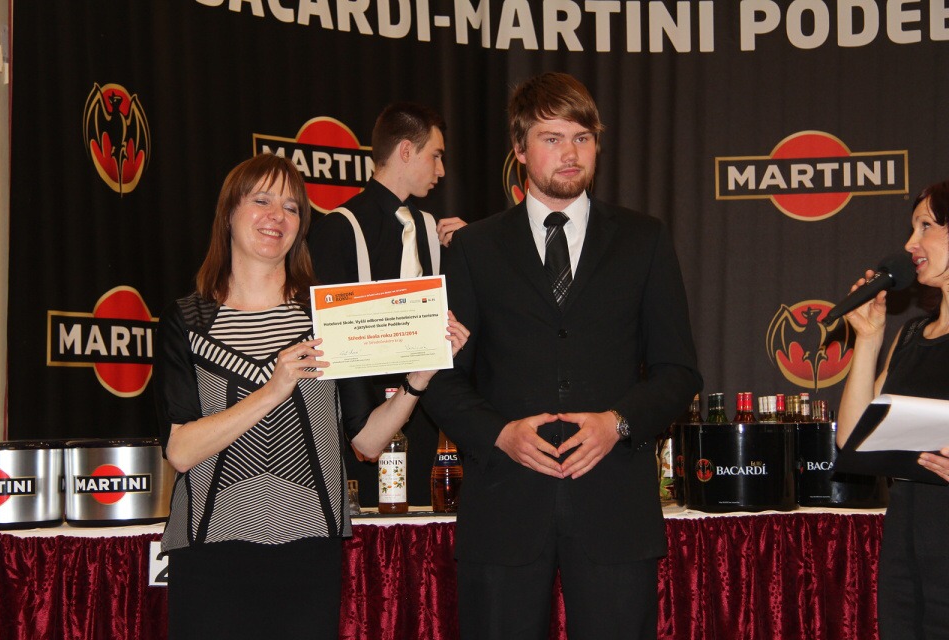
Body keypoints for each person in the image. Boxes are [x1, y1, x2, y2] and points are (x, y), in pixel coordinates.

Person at [420, 72, 702, 640]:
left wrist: (617, 424)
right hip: (503, 506)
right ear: (520, 150)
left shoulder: (644, 239)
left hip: (613, 507)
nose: (570, 153)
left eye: (582, 137)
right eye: (552, 138)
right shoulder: (474, 247)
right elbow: (442, 377)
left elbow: (678, 372)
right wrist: (500, 434)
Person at [153, 153, 468, 639]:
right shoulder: (187, 320)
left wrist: (418, 380)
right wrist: (273, 389)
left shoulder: (327, 317)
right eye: (261, 201)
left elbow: (367, 442)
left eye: (292, 207)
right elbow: (180, 449)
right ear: (229, 213)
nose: (276, 216)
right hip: (209, 550)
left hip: (309, 549)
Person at [309, 102, 466, 507]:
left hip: (427, 424)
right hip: (359, 427)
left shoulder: (434, 231)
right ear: (406, 151)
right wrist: (361, 427)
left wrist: (474, 249)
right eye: (436, 156)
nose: (441, 170)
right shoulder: (337, 229)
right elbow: (330, 350)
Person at [837, 179, 949, 640]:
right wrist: (868, 339)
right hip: (909, 538)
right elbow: (852, 439)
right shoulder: (913, 336)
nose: (910, 244)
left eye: (926, 226)